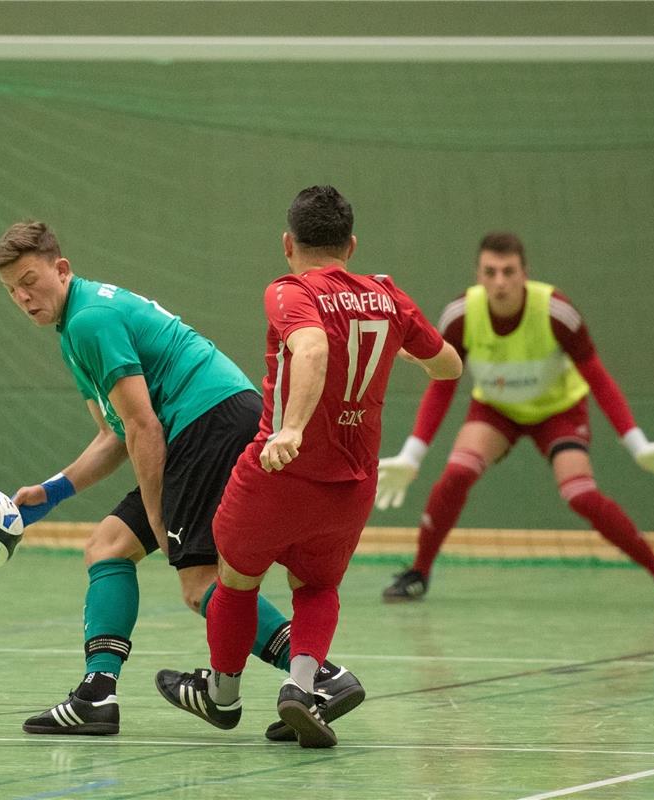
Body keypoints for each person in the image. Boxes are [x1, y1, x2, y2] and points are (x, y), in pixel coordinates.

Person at [0, 221, 366, 737]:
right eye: (12, 291)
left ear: (62, 269)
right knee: (108, 546)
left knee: (199, 581)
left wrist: (162, 517)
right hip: (212, 422)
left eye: (30, 280)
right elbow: (115, 434)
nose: (24, 296)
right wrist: (53, 491)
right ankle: (98, 694)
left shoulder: (90, 321)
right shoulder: (77, 325)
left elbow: (145, 426)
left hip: (206, 425)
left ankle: (318, 675)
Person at [155, 186, 463, 748]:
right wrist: (401, 348)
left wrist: (292, 429)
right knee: (318, 586)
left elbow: (314, 348)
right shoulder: (389, 297)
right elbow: (449, 365)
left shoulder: (289, 291)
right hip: (351, 482)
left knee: (236, 579)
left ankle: (222, 695)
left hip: (279, 473)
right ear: (351, 244)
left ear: (287, 243)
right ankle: (300, 687)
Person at [374, 231, 654, 607]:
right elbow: (443, 382)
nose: (500, 281)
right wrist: (412, 455)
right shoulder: (461, 315)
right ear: (478, 275)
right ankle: (418, 573)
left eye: (508, 272)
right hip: (497, 410)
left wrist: (638, 444)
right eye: (490, 272)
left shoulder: (557, 312)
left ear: (524, 273)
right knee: (457, 473)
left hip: (558, 411)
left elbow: (598, 377)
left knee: (581, 494)